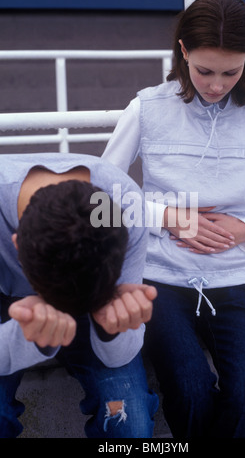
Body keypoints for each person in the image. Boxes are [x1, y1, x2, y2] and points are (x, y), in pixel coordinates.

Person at [102, 0, 245, 438]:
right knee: (188, 392)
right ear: (183, 51)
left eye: (232, 71)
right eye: (204, 70)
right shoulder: (146, 108)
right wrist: (166, 216)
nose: (217, 85)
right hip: (159, 277)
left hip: (237, 277)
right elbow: (100, 196)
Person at [0, 152, 158, 438]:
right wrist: (26, 337)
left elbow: (122, 353)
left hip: (93, 296)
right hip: (5, 300)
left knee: (129, 425)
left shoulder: (121, 207)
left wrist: (111, 328)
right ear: (17, 249)